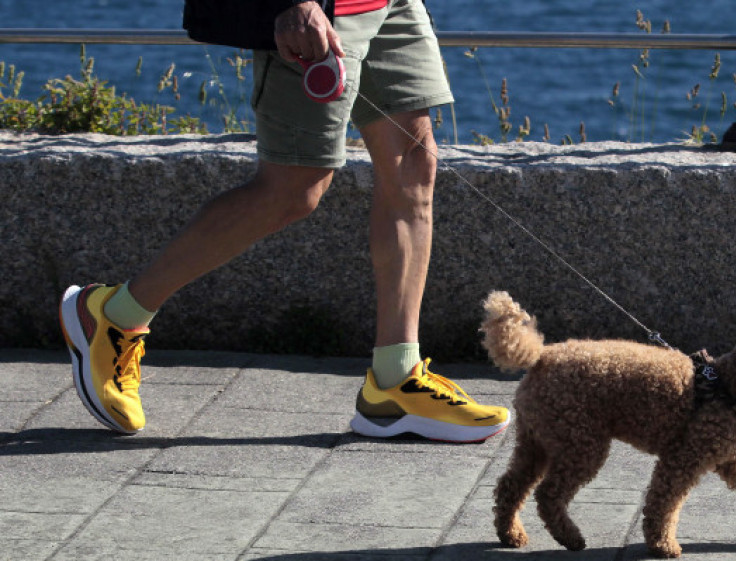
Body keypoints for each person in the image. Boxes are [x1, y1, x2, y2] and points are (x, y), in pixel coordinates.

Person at [58, 0, 509, 443]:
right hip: (318, 10)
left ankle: (396, 381)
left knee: (413, 163)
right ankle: (115, 315)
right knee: (294, 186)